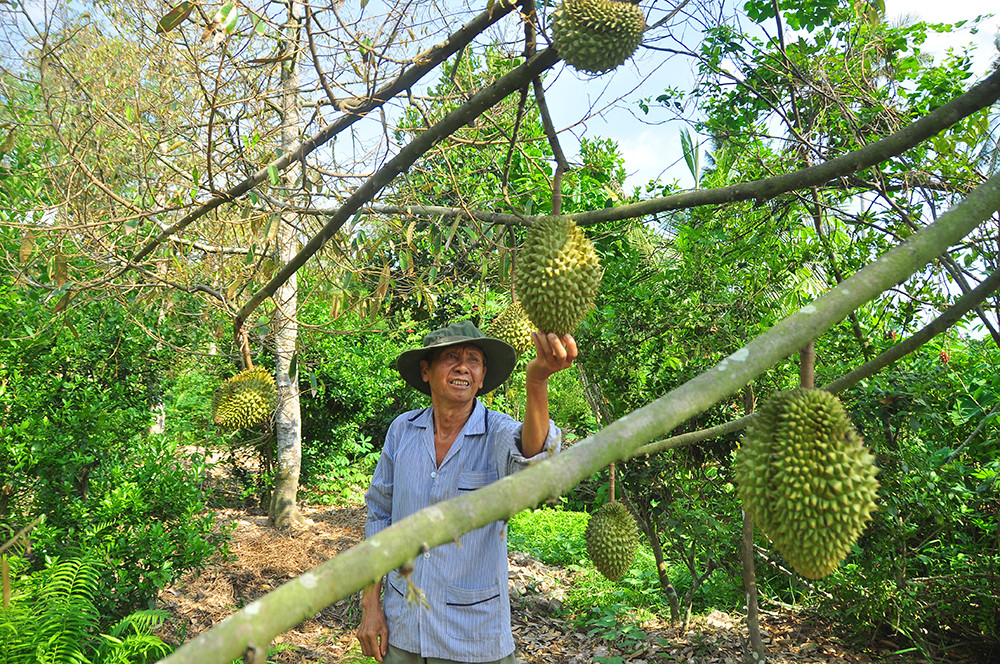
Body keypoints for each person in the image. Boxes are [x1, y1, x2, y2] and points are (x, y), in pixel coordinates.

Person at [357, 320, 578, 664]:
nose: (463, 367)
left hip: (472, 635)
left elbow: (534, 460)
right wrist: (371, 604)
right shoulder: (403, 430)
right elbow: (379, 516)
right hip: (405, 626)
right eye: (451, 358)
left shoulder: (498, 432)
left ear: (483, 376)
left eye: (473, 359)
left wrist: (537, 380)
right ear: (426, 371)